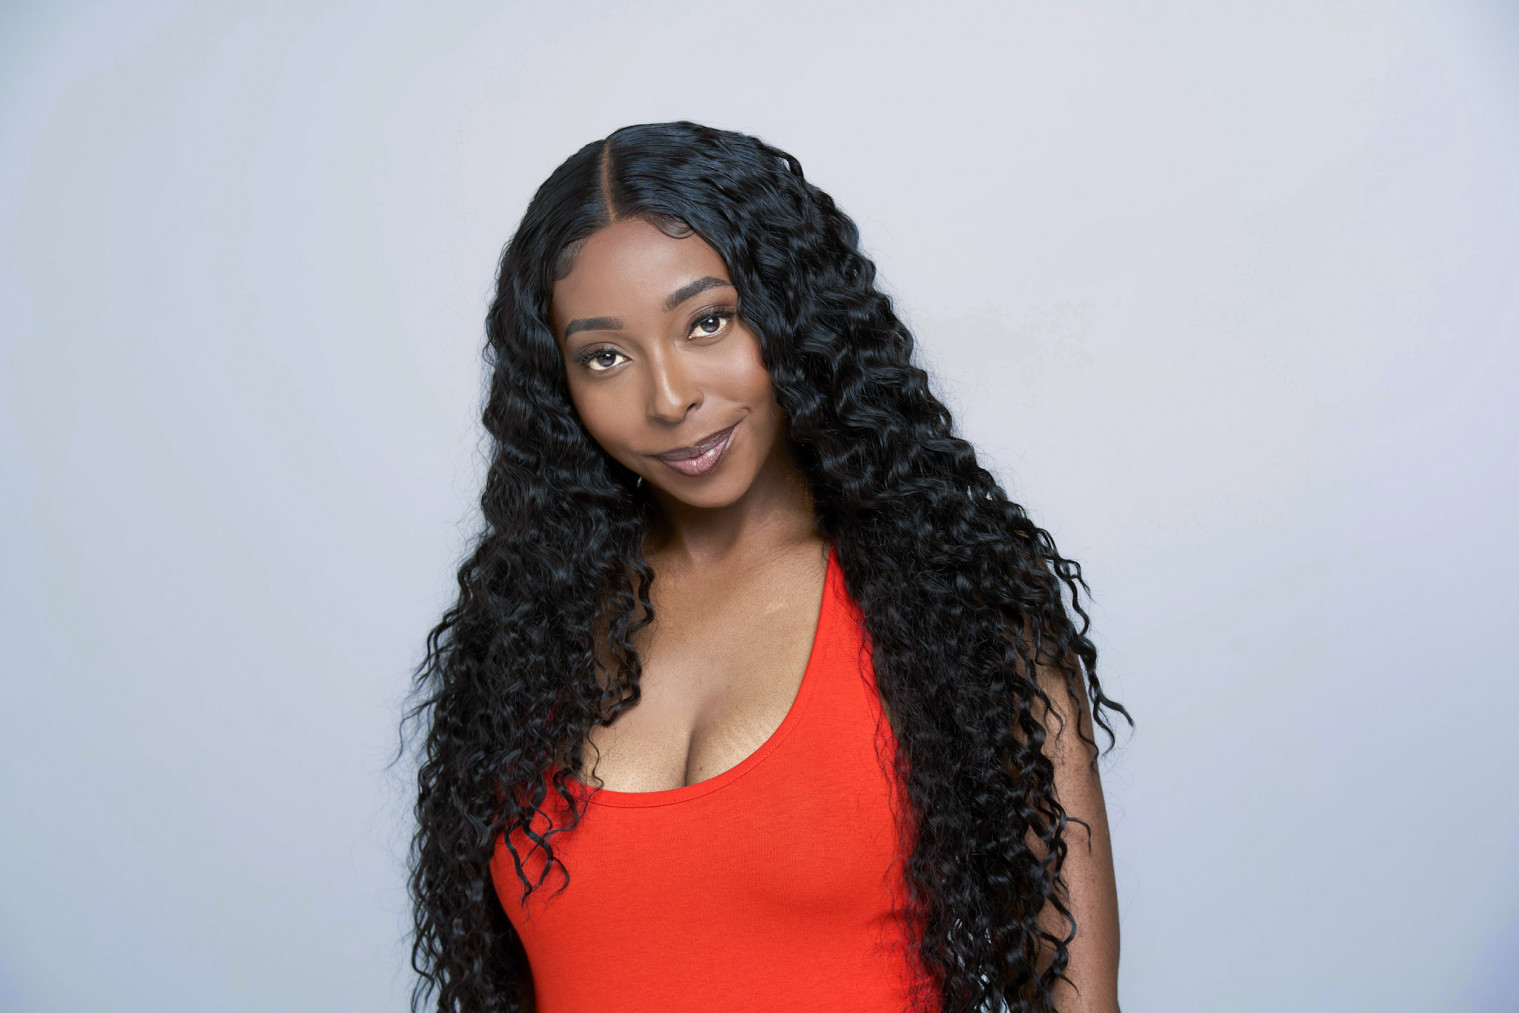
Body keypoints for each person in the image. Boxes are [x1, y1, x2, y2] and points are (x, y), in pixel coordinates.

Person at [403, 121, 1133, 1013]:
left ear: (794, 315)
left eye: (707, 322)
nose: (670, 397)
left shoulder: (952, 605)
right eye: (605, 356)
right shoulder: (522, 635)